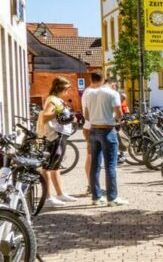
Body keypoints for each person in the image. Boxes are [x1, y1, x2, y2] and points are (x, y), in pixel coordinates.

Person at [84, 77, 126, 206]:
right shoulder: (113, 94)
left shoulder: (90, 93)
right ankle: (112, 198)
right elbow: (119, 115)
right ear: (113, 84)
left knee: (95, 165)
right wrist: (112, 117)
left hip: (93, 129)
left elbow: (86, 115)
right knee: (111, 166)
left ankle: (96, 197)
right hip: (107, 131)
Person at [38, 77, 77, 206]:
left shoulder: (56, 100)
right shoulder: (53, 100)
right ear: (60, 88)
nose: (68, 91)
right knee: (48, 167)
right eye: (67, 88)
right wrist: (59, 113)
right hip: (54, 136)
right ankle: (48, 197)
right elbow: (45, 116)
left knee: (55, 166)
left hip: (60, 136)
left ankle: (60, 194)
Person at [81, 72, 103, 194]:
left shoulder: (88, 92)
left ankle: (91, 184)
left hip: (89, 126)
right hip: (91, 127)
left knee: (92, 157)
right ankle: (91, 185)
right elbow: (89, 112)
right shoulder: (91, 93)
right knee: (92, 157)